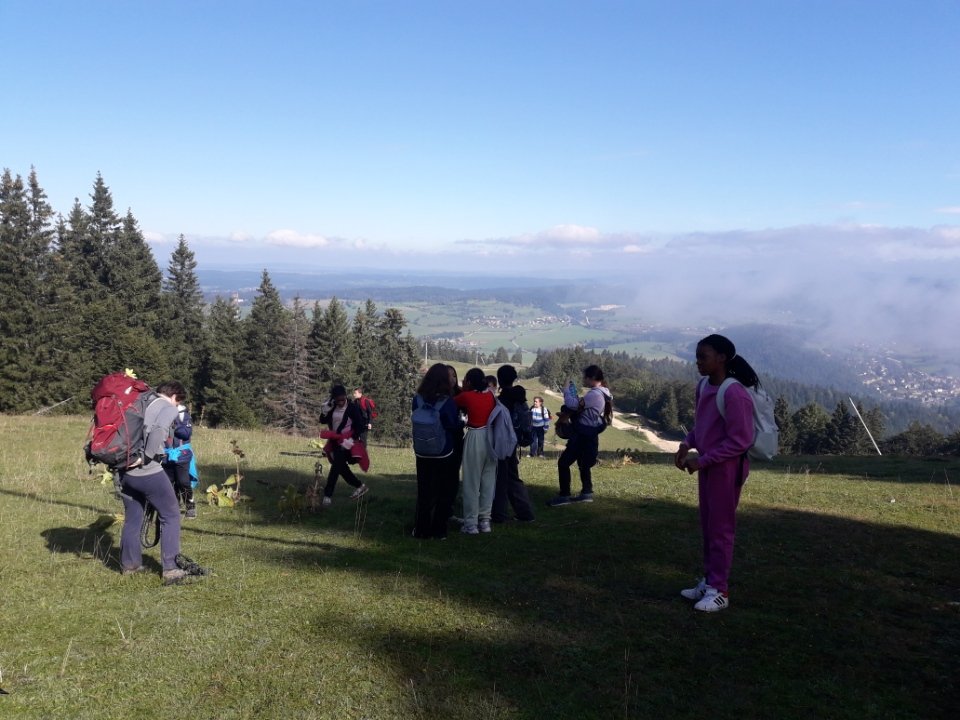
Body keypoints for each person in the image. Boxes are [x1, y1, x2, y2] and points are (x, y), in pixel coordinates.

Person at [674, 334, 757, 613]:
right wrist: (687, 444)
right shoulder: (703, 386)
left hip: (726, 469)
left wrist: (704, 460)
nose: (698, 362)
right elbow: (704, 427)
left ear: (721, 358)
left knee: (721, 528)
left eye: (703, 357)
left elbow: (740, 440)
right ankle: (710, 581)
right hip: (709, 466)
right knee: (708, 525)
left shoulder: (735, 393)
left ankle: (720, 590)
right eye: (697, 356)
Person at [118, 380, 200, 585]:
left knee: (133, 517)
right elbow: (158, 432)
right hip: (146, 470)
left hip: (123, 469)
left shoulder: (140, 402)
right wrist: (146, 457)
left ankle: (130, 565)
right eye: (178, 401)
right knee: (171, 514)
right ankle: (170, 569)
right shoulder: (167, 407)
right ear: (174, 397)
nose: (177, 406)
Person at [547, 365, 613, 507]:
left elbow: (571, 405)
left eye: (586, 377)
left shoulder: (594, 394)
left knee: (563, 463)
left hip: (582, 434)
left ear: (592, 378)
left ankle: (564, 496)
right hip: (590, 433)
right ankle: (586, 493)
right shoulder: (602, 393)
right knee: (583, 464)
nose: (584, 379)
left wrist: (566, 389)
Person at [411, 363, 463, 539]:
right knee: (444, 491)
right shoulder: (447, 402)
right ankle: (439, 530)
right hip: (444, 451)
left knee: (424, 491)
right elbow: (452, 425)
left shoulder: (417, 399)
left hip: (422, 451)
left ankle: (421, 529)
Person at [453, 367, 498, 534]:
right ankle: (485, 520)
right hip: (491, 437)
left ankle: (471, 522)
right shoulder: (491, 396)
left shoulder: (467, 396)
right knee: (488, 479)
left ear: (469, 382)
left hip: (475, 435)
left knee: (471, 481)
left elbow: (452, 402)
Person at [492, 365, 535, 523]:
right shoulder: (520, 397)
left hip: (501, 443)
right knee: (512, 477)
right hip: (514, 442)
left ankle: (499, 514)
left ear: (499, 379)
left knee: (501, 479)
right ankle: (524, 512)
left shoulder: (501, 400)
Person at [319, 384, 369, 506]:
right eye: (338, 400)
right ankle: (360, 486)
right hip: (335, 441)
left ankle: (327, 496)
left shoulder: (352, 408)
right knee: (340, 467)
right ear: (334, 399)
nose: (341, 402)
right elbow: (323, 421)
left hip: (348, 442)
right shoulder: (333, 407)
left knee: (336, 466)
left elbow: (360, 426)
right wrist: (324, 411)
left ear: (346, 396)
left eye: (343, 399)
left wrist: (350, 441)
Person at [162, 397, 198, 519]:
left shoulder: (183, 415)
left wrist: (174, 425)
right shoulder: (161, 413)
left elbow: (186, 433)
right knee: (168, 482)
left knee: (183, 481)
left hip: (181, 455)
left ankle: (190, 505)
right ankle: (174, 506)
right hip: (165, 455)